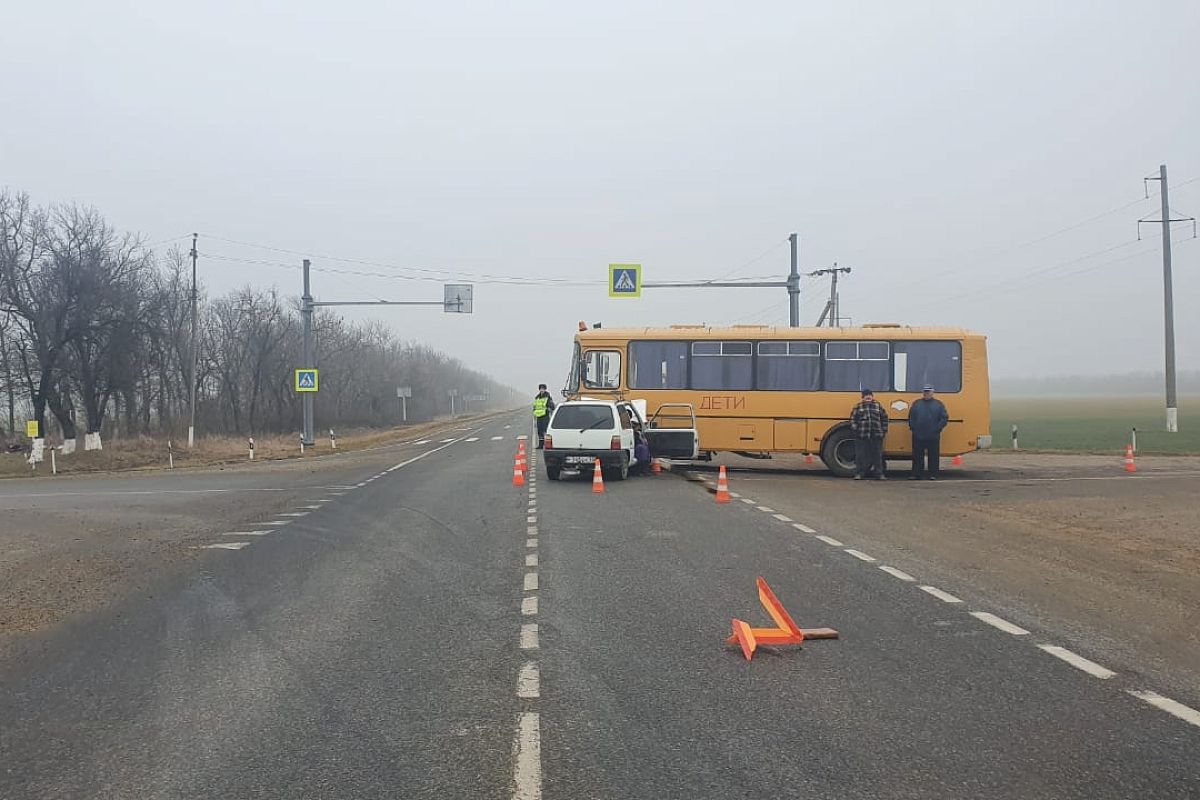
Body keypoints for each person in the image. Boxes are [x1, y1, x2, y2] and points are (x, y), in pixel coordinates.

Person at [908, 384, 949, 480]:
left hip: (933, 435)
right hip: (918, 435)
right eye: (925, 391)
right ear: (923, 392)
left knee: (933, 456)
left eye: (928, 391)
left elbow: (944, 418)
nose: (927, 393)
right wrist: (913, 428)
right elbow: (911, 417)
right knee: (917, 456)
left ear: (932, 392)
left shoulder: (939, 404)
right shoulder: (916, 403)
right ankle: (916, 474)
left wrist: (937, 429)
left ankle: (933, 474)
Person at [850, 389, 888, 480]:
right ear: (862, 397)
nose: (868, 397)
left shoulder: (878, 405)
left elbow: (885, 418)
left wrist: (884, 430)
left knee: (877, 455)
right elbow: (853, 419)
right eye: (866, 395)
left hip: (876, 435)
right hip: (862, 435)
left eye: (869, 395)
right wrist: (855, 430)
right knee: (861, 456)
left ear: (872, 397)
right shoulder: (858, 407)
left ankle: (879, 474)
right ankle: (859, 474)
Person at [532, 384, 556, 449]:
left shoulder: (548, 397)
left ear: (545, 389)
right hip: (538, 416)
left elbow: (552, 406)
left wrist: (549, 408)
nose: (542, 390)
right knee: (539, 431)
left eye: (543, 388)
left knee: (545, 431)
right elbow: (535, 406)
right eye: (541, 388)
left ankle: (547, 445)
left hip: (545, 416)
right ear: (539, 389)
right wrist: (534, 411)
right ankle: (540, 445)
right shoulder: (537, 397)